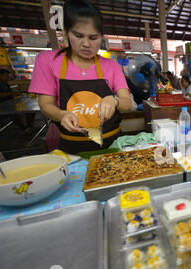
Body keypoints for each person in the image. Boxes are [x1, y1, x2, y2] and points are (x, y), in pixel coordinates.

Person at [28, 0, 131, 154]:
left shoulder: (111, 66)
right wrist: (61, 114)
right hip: (72, 146)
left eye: (93, 38)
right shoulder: (48, 61)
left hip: (112, 143)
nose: (86, 44)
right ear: (67, 33)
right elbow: (46, 105)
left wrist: (113, 100)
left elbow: (127, 104)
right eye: (78, 36)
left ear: (101, 37)